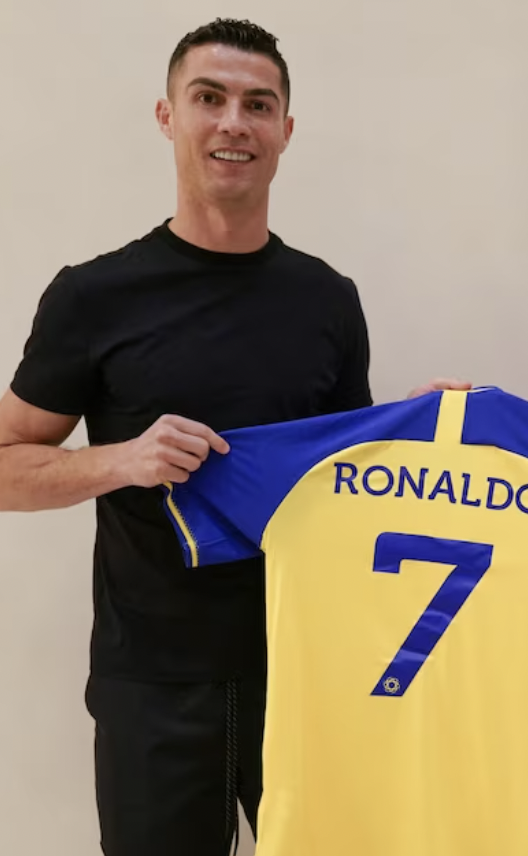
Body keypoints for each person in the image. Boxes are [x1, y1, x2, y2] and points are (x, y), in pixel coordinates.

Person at [0, 18, 464, 856]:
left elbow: (346, 486)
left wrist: (426, 434)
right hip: (152, 682)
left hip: (305, 670)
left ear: (285, 129)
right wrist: (119, 461)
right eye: (208, 98)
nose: (233, 123)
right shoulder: (93, 296)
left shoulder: (327, 299)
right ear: (167, 115)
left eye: (257, 104)